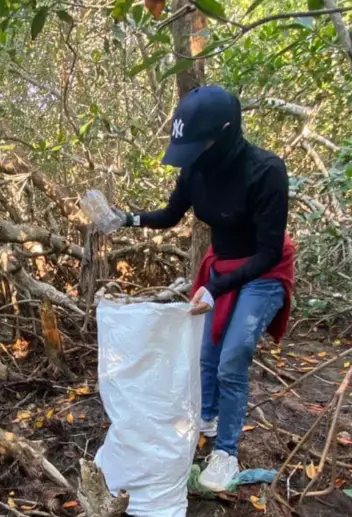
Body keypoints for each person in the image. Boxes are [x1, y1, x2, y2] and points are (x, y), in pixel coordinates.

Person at [109, 85, 295, 492]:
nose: (194, 154)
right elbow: (171, 215)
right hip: (222, 266)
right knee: (206, 352)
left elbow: (267, 251)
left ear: (226, 134)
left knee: (233, 357)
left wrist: (217, 287)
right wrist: (124, 219)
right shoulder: (195, 168)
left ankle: (226, 451)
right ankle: (206, 418)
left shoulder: (266, 171)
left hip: (263, 269)